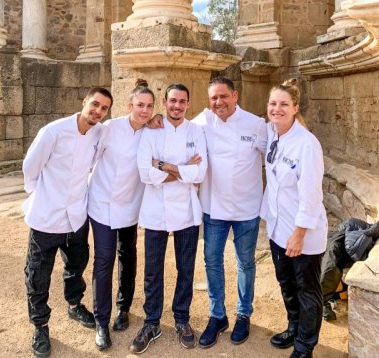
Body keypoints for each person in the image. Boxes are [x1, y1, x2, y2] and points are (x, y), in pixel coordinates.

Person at [149, 77, 268, 348]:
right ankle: (218, 316)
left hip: (247, 208)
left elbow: (275, 152)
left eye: (224, 96)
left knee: (245, 263)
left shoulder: (255, 125)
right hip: (213, 207)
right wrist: (153, 118)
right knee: (212, 262)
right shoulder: (202, 123)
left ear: (235, 95)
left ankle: (243, 314)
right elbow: (173, 124)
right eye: (213, 98)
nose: (219, 102)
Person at [22, 87, 113, 358]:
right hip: (47, 217)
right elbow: (31, 166)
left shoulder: (99, 132)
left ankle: (74, 305)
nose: (98, 111)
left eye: (104, 108)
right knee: (38, 273)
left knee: (77, 264)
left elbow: (128, 128)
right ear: (84, 102)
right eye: (94, 104)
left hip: (77, 215)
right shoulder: (53, 131)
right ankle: (40, 325)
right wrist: (44, 194)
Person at [130, 83, 207, 354]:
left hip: (186, 212)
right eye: (172, 101)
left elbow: (200, 173)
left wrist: (162, 165)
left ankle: (182, 319)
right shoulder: (151, 132)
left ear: (188, 104)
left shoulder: (196, 132)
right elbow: (144, 173)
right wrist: (183, 171)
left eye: (182, 102)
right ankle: (152, 322)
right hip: (154, 213)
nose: (177, 106)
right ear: (165, 101)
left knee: (185, 270)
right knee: (153, 271)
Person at [260, 78, 328, 358]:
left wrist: (299, 234)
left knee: (307, 290)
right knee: (286, 283)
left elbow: (310, 194)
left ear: (295, 108)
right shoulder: (273, 133)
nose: (277, 108)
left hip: (302, 233)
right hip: (278, 229)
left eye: (284, 104)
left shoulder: (306, 144)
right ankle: (294, 327)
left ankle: (304, 347)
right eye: (273, 103)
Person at [87, 79, 155, 350]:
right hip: (102, 204)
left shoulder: (153, 132)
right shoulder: (109, 128)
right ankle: (101, 322)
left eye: (150, 107)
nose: (144, 111)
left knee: (128, 255)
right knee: (104, 260)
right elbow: (89, 158)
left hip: (131, 206)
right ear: (129, 106)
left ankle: (122, 308)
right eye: (140, 105)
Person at [321, 218, 379, 321]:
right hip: (347, 234)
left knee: (332, 257)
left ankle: (323, 300)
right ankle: (323, 300)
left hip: (347, 234)